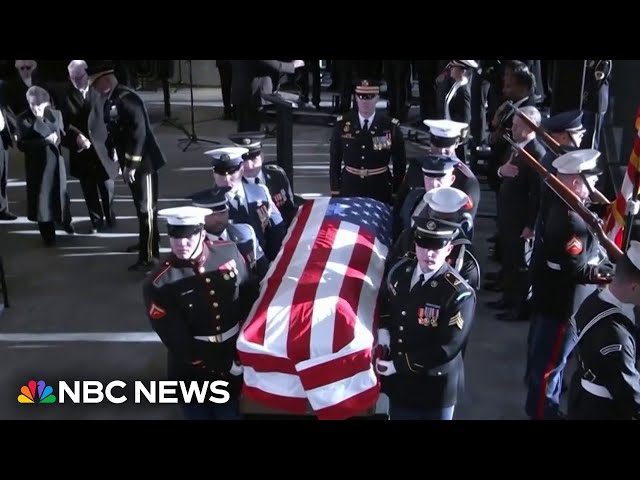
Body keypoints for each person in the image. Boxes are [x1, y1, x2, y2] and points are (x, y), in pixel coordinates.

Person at [143, 206, 260, 420]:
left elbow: (249, 293)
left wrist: (247, 344)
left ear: (202, 233)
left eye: (187, 237)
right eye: (175, 238)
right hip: (192, 371)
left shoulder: (228, 251)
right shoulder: (160, 283)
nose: (180, 244)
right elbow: (177, 340)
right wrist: (225, 364)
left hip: (233, 352)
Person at [526, 149, 614, 420]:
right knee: (549, 368)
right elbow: (576, 268)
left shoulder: (560, 200)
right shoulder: (570, 221)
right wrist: (609, 272)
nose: (595, 186)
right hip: (563, 305)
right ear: (576, 183)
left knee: (547, 364)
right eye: (592, 182)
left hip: (549, 298)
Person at [376, 215, 477, 420]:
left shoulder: (458, 293)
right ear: (415, 245)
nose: (429, 254)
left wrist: (398, 365)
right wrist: (384, 330)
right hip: (402, 385)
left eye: (436, 248)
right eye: (423, 246)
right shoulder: (400, 272)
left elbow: (446, 347)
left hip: (434, 389)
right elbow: (387, 303)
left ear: (448, 249)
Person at [87, 62, 167, 272]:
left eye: (95, 84)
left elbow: (139, 133)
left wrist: (131, 164)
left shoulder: (127, 99)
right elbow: (115, 128)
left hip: (144, 164)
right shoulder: (112, 99)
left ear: (104, 81)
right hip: (129, 163)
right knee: (140, 206)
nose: (93, 89)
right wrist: (113, 149)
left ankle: (149, 256)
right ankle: (148, 242)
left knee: (146, 209)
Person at [567, 240, 640, 420]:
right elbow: (631, 396)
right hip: (602, 410)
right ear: (634, 287)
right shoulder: (614, 336)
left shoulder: (596, 298)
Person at [190, 147, 286, 262]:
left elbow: (277, 230)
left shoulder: (260, 192)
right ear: (214, 173)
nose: (226, 178)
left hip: (262, 262)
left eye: (232, 171)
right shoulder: (206, 205)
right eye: (220, 173)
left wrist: (274, 263)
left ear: (241, 169)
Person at [59, 60, 119, 233]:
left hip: (103, 146)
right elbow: (63, 123)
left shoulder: (100, 90)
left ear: (87, 74)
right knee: (88, 189)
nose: (77, 81)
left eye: (80, 77)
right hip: (82, 150)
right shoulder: (65, 96)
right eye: (73, 78)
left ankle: (110, 215)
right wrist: (76, 136)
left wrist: (115, 146)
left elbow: (112, 118)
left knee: (107, 187)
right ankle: (96, 221)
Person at [329, 79, 406, 204]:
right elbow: (335, 160)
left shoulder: (389, 126)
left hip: (379, 187)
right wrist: (335, 190)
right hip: (350, 186)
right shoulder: (342, 124)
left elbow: (400, 164)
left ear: (377, 98)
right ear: (356, 98)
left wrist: (396, 192)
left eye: (370, 97)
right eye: (361, 97)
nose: (365, 101)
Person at [388, 187, 479, 290]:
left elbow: (464, 295)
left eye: (446, 221)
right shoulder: (408, 237)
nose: (429, 252)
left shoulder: (464, 255)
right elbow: (391, 269)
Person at [15, 85, 73, 246]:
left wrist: (78, 138)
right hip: (37, 166)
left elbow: (64, 134)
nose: (36, 108)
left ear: (47, 103)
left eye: (39, 105)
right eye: (32, 104)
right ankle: (48, 234)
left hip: (56, 162)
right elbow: (22, 145)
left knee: (61, 194)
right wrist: (44, 141)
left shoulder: (56, 115)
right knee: (42, 200)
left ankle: (65, 220)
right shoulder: (23, 119)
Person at [395, 119, 480, 221]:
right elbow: (400, 204)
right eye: (437, 145)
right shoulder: (417, 167)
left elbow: (466, 221)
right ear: (430, 143)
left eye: (447, 146)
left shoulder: (466, 180)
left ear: (457, 144)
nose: (441, 151)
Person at [190, 186, 269, 279]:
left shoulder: (246, 233)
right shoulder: (193, 245)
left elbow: (263, 270)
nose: (218, 219)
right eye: (211, 215)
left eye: (222, 213)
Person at [228, 132, 298, 226]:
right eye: (243, 160)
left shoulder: (277, 174)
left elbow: (289, 209)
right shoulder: (229, 183)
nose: (249, 165)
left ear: (262, 157)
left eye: (254, 159)